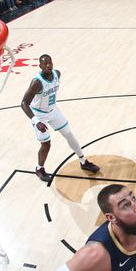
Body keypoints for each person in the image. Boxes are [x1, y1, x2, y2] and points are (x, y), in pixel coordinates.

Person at [20, 54, 100, 182]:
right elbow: (24, 103)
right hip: (40, 115)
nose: (48, 66)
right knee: (46, 144)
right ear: (40, 66)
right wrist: (36, 121)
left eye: (49, 63)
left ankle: (83, 161)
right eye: (44, 64)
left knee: (69, 134)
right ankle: (39, 169)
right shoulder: (37, 82)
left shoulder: (57, 74)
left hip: (53, 110)